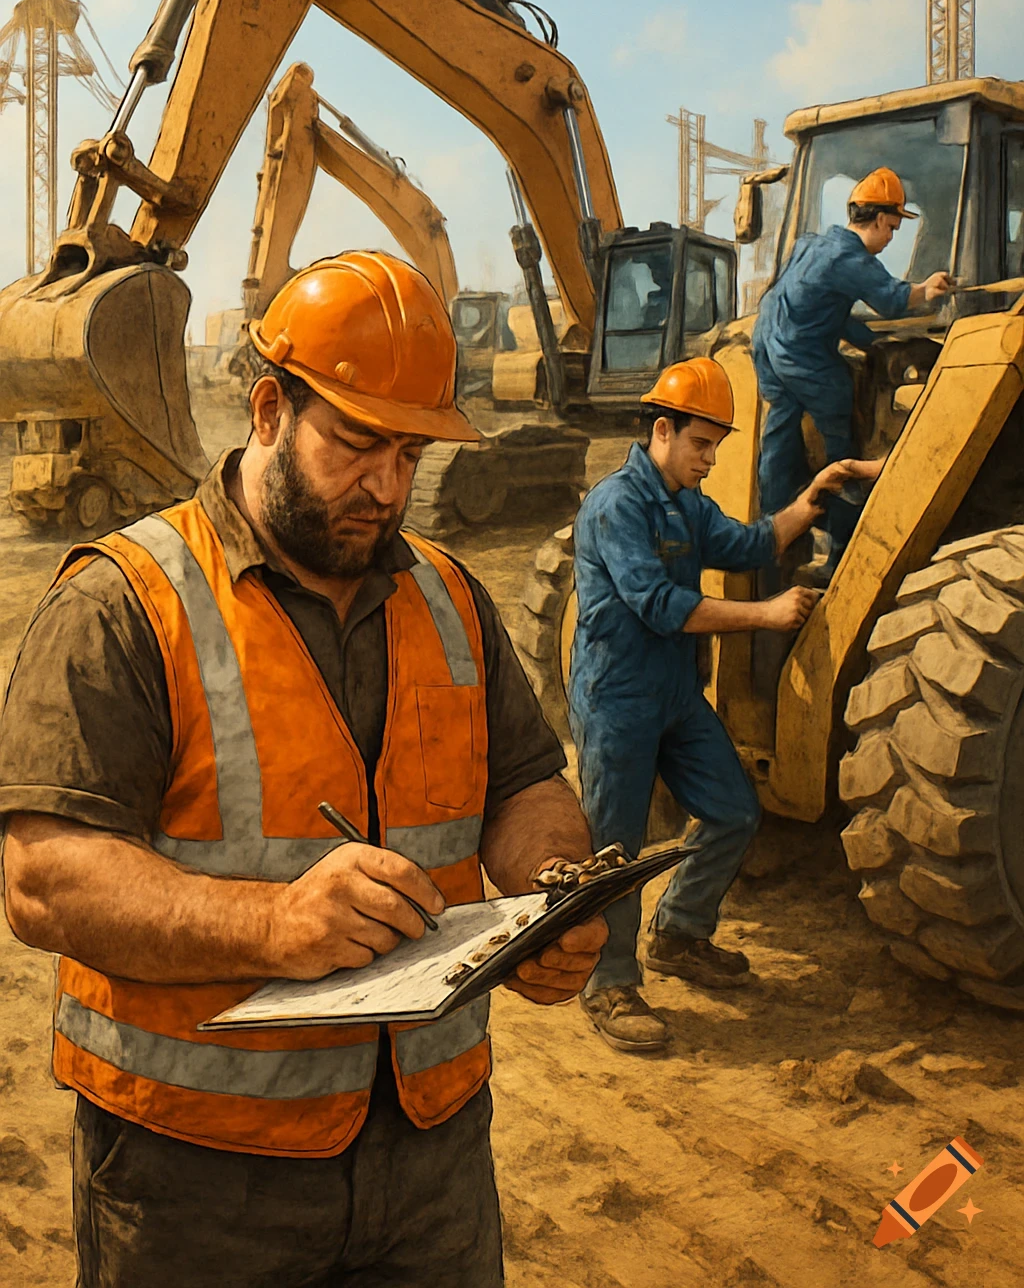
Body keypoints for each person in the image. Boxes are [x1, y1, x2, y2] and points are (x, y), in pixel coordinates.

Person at [0, 250, 607, 1288]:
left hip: (430, 1159)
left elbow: (525, 785)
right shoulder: (123, 603)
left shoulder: (452, 598)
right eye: (359, 443)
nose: (387, 485)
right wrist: (272, 927)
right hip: (195, 1175)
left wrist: (554, 892)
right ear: (270, 409)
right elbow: (42, 879)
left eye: (410, 453)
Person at [569, 357, 854, 1054]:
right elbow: (660, 606)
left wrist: (812, 497)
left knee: (733, 810)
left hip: (673, 694)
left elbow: (751, 541)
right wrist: (765, 615)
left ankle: (679, 934)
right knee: (615, 850)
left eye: (717, 447)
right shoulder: (617, 505)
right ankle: (607, 982)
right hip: (617, 698)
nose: (709, 459)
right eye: (701, 444)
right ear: (661, 431)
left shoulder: (687, 506)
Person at [752, 166, 953, 571]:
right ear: (879, 219)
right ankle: (844, 507)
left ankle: (772, 529)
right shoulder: (851, 257)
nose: (892, 237)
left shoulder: (813, 244)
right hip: (800, 355)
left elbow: (825, 309)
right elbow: (894, 301)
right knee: (842, 410)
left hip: (768, 346)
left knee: (781, 434)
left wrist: (870, 342)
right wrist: (927, 288)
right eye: (894, 228)